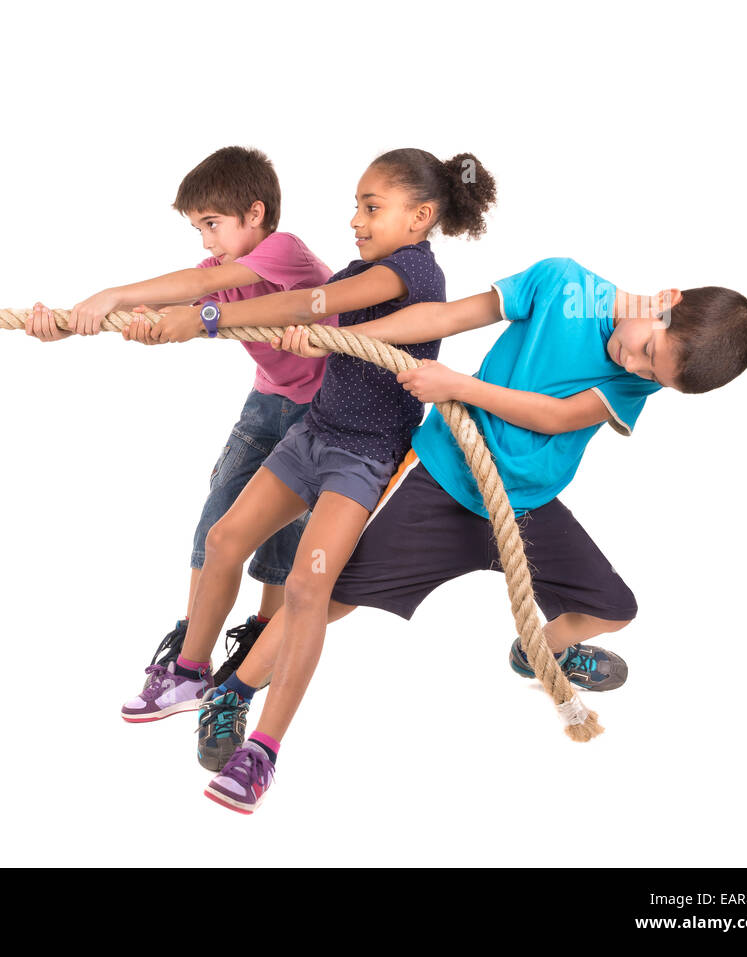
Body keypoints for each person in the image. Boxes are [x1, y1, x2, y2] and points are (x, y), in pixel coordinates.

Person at [201, 259, 747, 813]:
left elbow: (556, 417)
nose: (636, 367)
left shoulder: (640, 379)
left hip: (523, 507)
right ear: (664, 299)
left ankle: (538, 654)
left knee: (614, 608)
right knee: (324, 600)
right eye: (647, 354)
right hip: (443, 487)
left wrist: (459, 385)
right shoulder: (561, 283)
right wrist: (340, 339)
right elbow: (448, 317)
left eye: (652, 375)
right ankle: (236, 693)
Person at [122, 148, 497, 771]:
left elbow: (309, 306)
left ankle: (262, 749)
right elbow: (301, 310)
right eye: (356, 205)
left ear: (421, 216)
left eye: (371, 206)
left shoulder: (413, 274)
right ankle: (191, 671)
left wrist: (207, 319)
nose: (355, 218)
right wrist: (172, 317)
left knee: (305, 585)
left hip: (364, 458)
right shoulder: (361, 266)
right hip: (312, 435)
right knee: (223, 539)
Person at [25, 145, 336, 711]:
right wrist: (71, 324)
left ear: (256, 214)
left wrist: (118, 294)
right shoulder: (217, 275)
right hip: (268, 404)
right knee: (218, 521)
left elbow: (205, 291)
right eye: (198, 229)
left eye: (212, 226)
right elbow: (176, 293)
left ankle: (256, 640)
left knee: (286, 534)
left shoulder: (283, 251)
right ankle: (191, 650)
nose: (206, 243)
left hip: (323, 413)